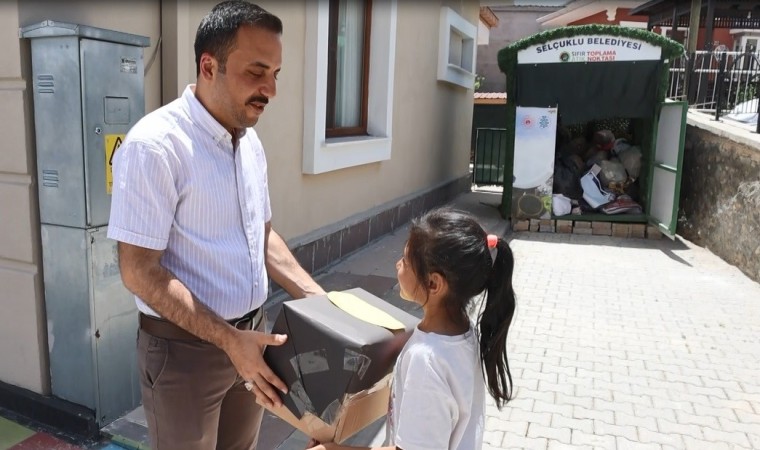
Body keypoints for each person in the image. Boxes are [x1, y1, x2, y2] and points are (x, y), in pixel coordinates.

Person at [108, 2, 325, 449]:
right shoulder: (155, 146)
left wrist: (318, 299)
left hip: (253, 339)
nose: (270, 89)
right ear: (209, 66)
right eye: (257, 72)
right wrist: (228, 339)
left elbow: (263, 237)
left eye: (276, 74)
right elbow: (138, 271)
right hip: (185, 355)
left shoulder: (250, 143)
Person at [307, 207, 517, 450]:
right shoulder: (463, 332)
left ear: (433, 283)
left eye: (405, 261)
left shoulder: (425, 360)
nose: (397, 264)